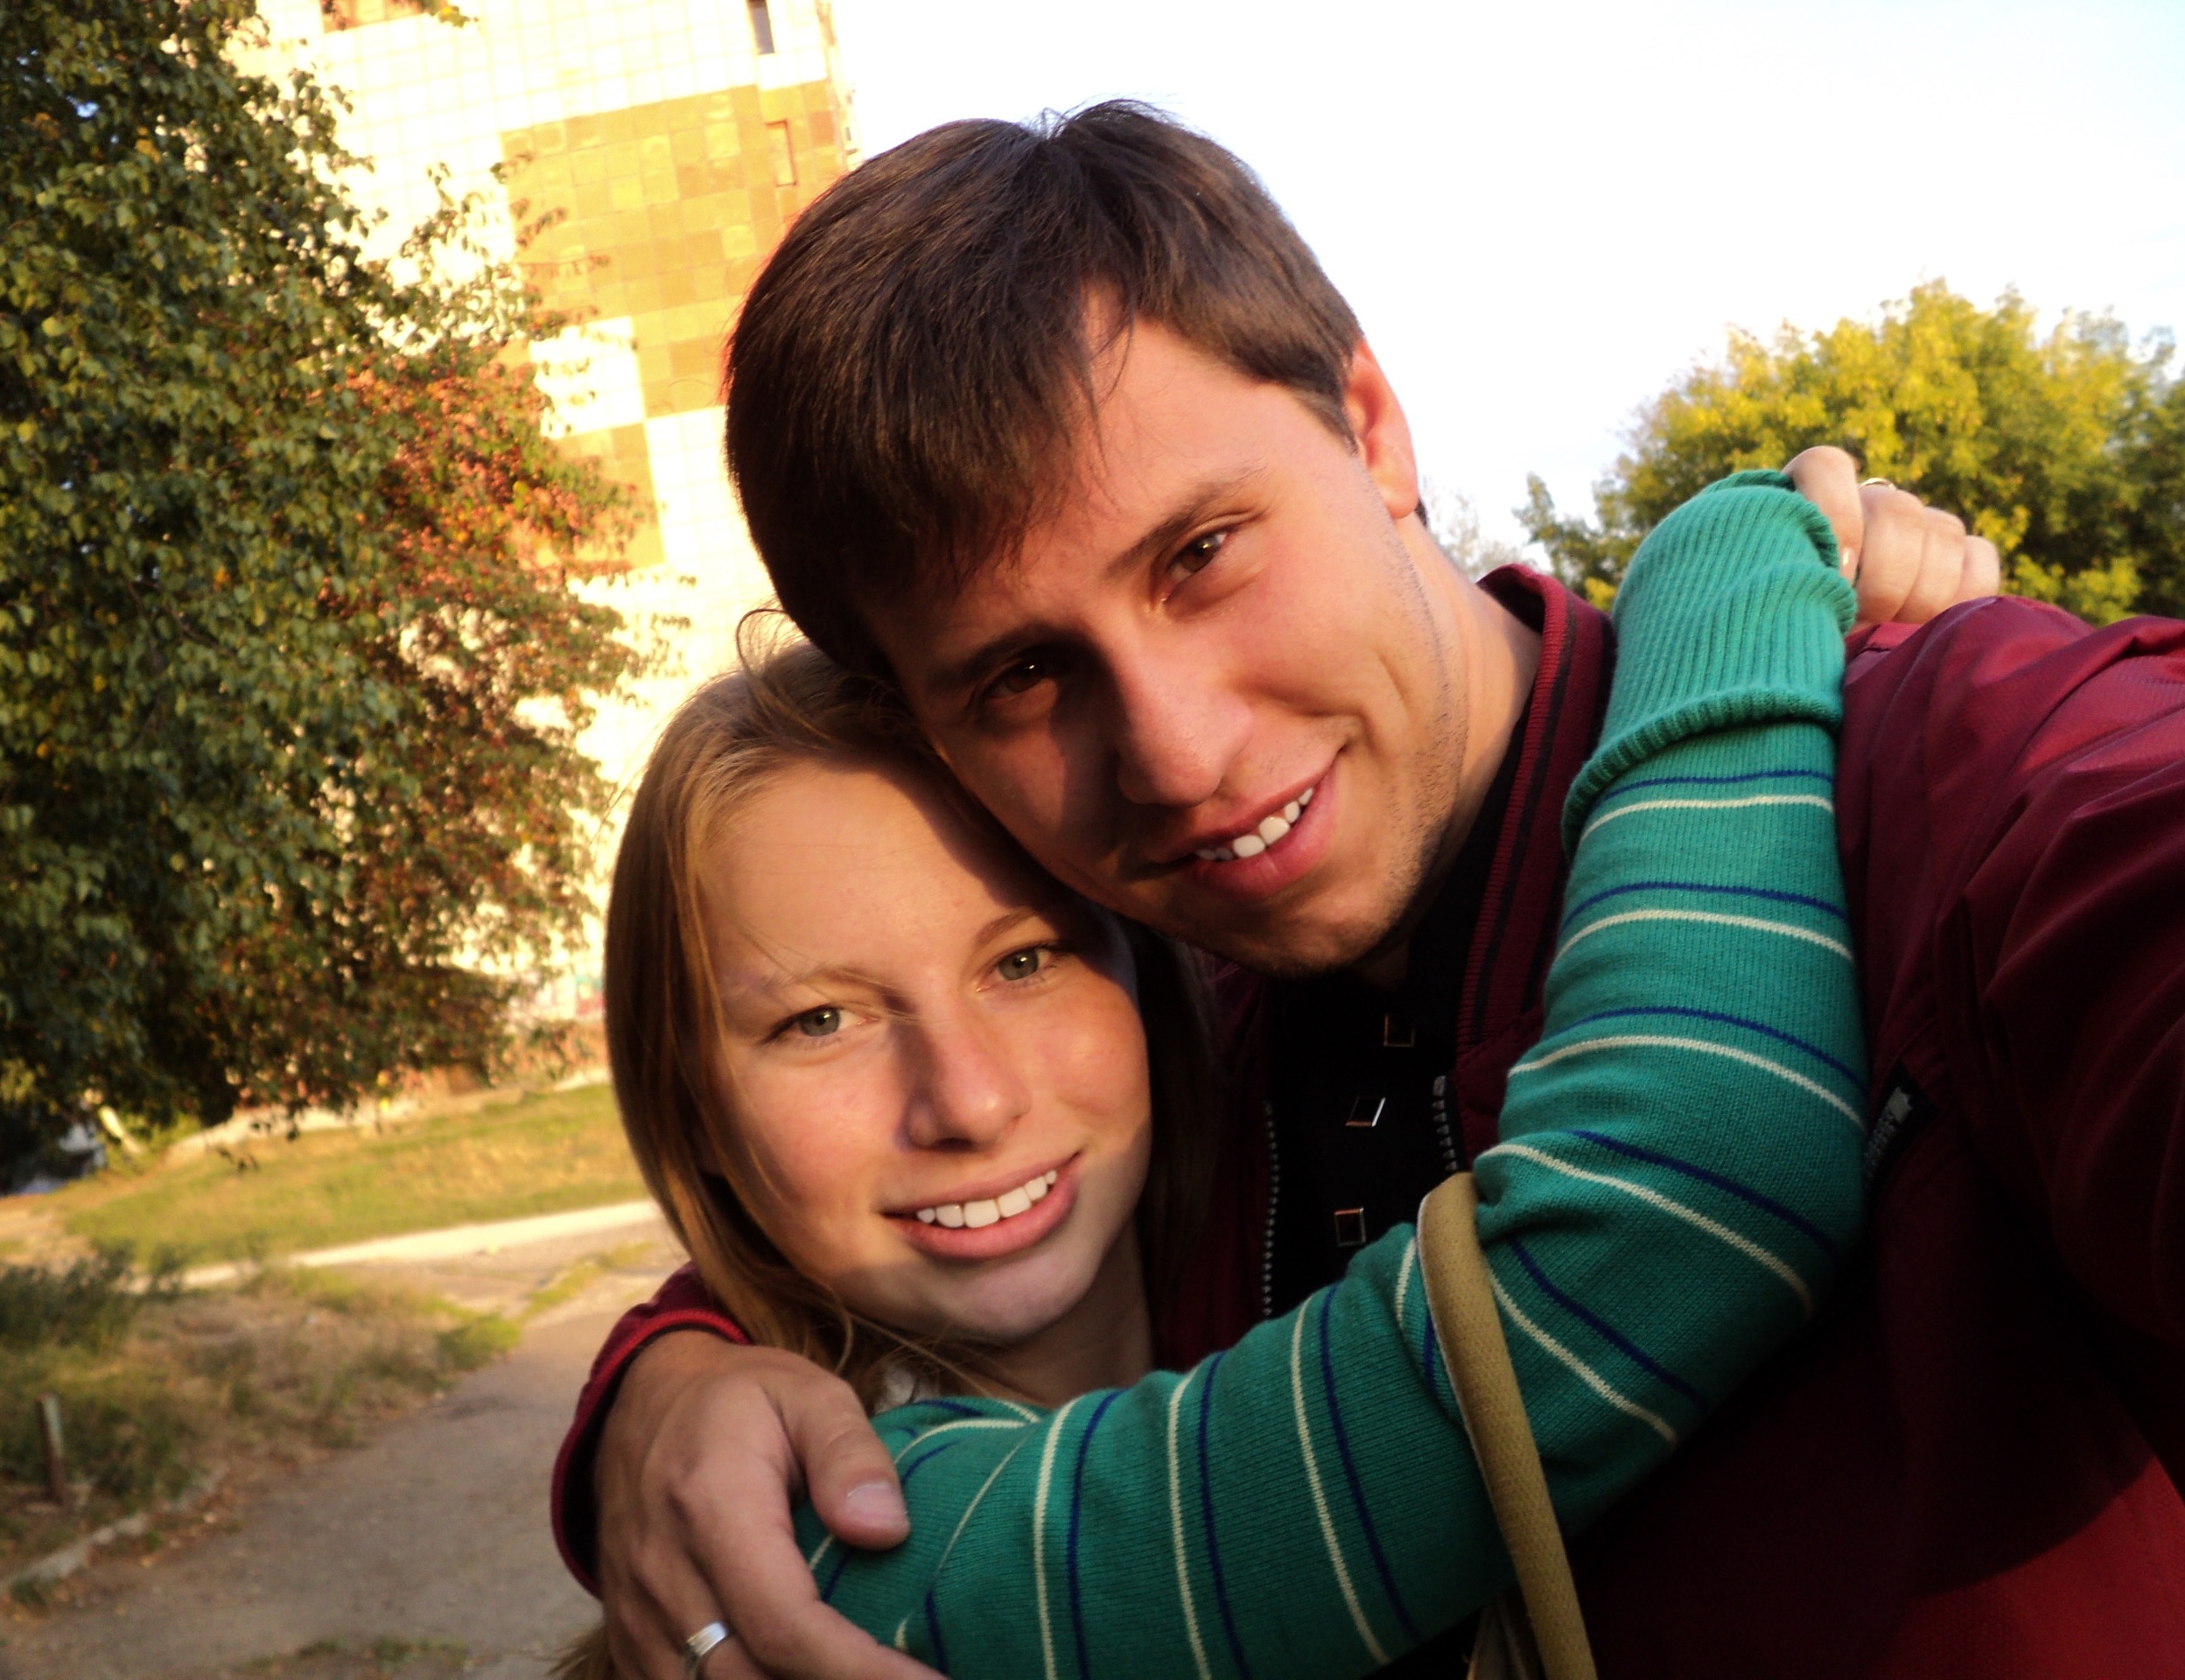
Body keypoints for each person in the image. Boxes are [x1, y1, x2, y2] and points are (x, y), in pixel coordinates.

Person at [564, 105, 2185, 1679]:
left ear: (1371, 424)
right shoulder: (1181, 1052)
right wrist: (669, 1380)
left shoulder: (1955, 777)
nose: (1181, 755)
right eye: (1022, 675)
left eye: (1202, 552)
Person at [570, 475, 1868, 1680]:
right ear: (697, 1111)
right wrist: (1730, 556)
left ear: (1154, 971)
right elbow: (1674, 1212)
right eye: (819, 1021)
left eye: (1025, 961)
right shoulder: (816, 1547)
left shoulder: (1272, 1198)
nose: (967, 1101)